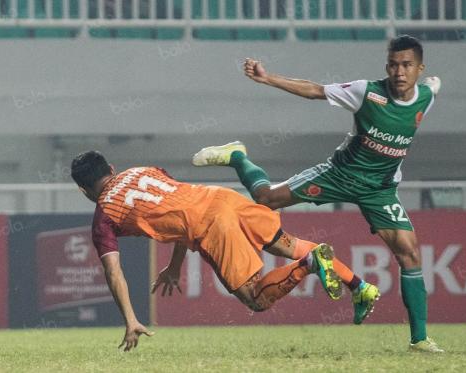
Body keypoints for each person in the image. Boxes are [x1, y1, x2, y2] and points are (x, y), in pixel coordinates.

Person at [192, 35, 442, 352]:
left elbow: (434, 86)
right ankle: (238, 156)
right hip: (338, 175)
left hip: (380, 189)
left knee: (410, 254)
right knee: (267, 199)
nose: (399, 72)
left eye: (407, 65)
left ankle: (419, 339)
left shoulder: (425, 97)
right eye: (393, 65)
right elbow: (315, 91)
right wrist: (268, 78)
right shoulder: (367, 92)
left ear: (419, 68)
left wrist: (434, 82)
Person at [71, 150, 352, 351]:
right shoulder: (143, 170)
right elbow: (177, 206)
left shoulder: (104, 217)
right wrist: (175, 266)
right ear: (111, 168)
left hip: (212, 224)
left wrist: (131, 320)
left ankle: (311, 263)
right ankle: (356, 282)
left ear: (83, 191)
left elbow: (113, 272)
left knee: (256, 299)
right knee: (282, 244)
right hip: (222, 197)